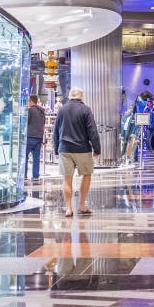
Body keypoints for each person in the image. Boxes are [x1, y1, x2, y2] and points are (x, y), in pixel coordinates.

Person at [53, 88, 101, 217]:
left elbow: (56, 131)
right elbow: (92, 131)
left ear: (69, 96)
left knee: (67, 178)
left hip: (65, 149)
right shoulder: (85, 110)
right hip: (82, 149)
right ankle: (81, 205)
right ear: (81, 97)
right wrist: (97, 149)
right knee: (87, 174)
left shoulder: (62, 110)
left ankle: (68, 208)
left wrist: (56, 148)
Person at [25, 95, 47, 183]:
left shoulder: (30, 110)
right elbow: (43, 123)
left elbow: (26, 122)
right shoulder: (42, 111)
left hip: (29, 137)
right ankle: (35, 176)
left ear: (30, 101)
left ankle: (24, 176)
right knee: (36, 158)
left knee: (24, 157)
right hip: (39, 137)